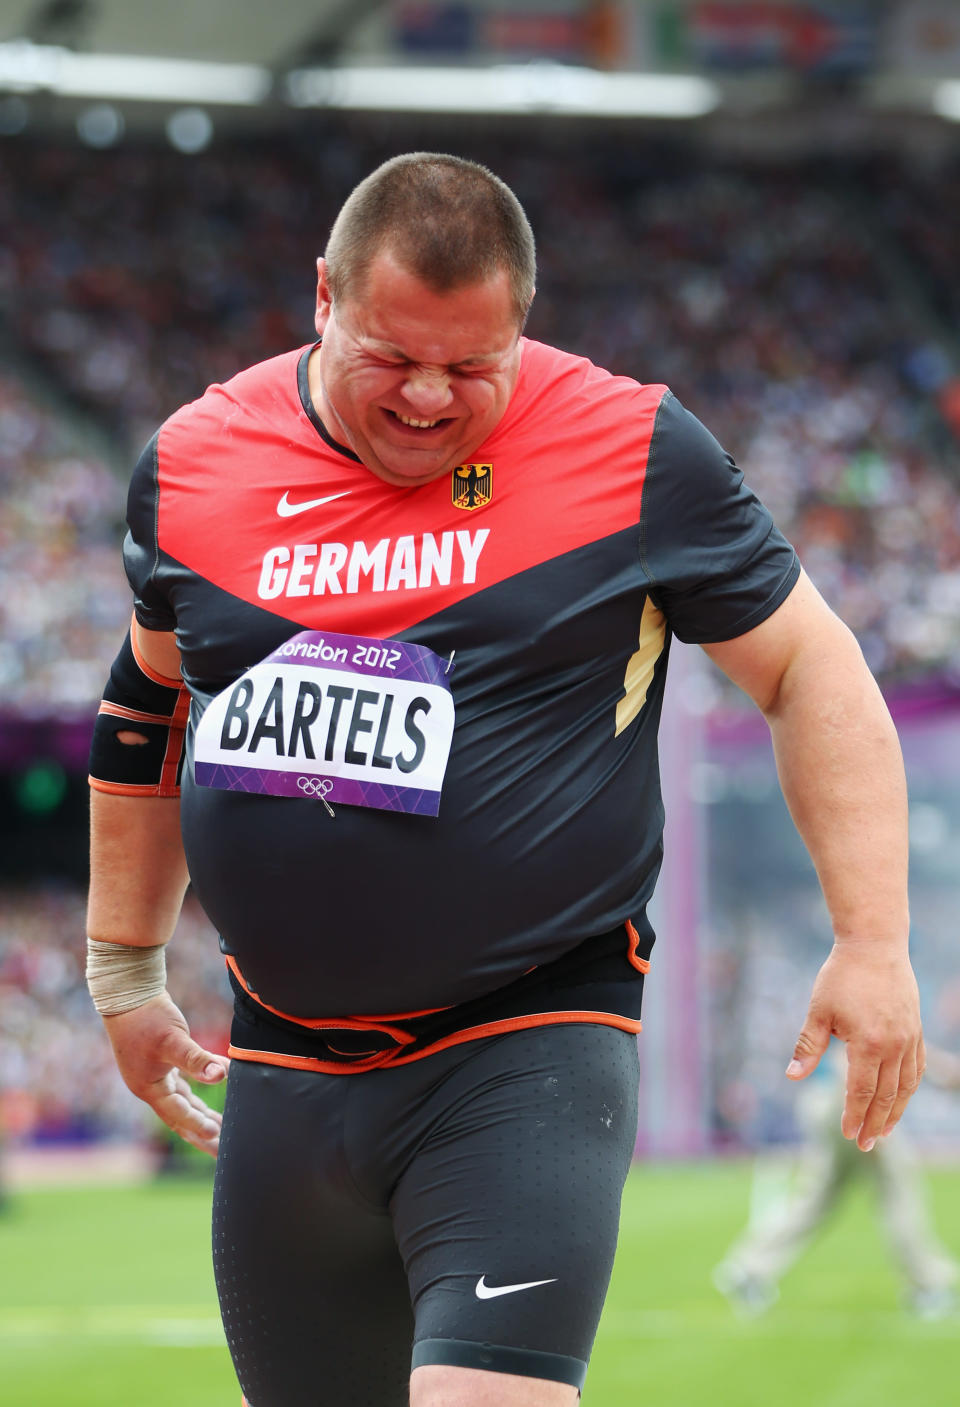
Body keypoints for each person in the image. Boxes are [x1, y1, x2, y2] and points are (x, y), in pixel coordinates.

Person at [85, 152, 924, 1407]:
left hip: (524, 1048)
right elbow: (149, 701)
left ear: (522, 326)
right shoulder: (197, 463)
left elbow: (812, 665)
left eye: (471, 367)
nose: (429, 396)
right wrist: (121, 962)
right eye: (393, 357)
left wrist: (874, 937)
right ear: (322, 296)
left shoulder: (632, 448)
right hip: (286, 1069)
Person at [713, 1043, 957, 1319]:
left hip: (830, 1095)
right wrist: (865, 1115)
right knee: (897, 1191)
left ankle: (749, 1268)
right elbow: (891, 1045)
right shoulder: (879, 1005)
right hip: (851, 1092)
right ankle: (928, 1284)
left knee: (817, 1199)